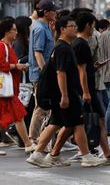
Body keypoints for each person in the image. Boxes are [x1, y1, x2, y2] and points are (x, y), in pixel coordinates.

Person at [27, 17, 104, 168]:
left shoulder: (63, 47)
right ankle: (86, 156)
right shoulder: (63, 48)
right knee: (78, 123)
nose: (75, 28)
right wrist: (65, 95)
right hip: (66, 93)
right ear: (62, 29)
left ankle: (43, 154)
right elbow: (60, 72)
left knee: (56, 123)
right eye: (71, 26)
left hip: (64, 93)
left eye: (75, 26)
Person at [74, 12, 110, 165]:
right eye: (92, 25)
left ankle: (108, 154)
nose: (94, 29)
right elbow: (81, 71)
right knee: (72, 125)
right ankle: (80, 154)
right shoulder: (81, 44)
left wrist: (95, 66)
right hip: (88, 90)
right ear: (88, 25)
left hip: (96, 83)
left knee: (99, 120)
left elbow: (85, 68)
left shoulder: (93, 39)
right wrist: (85, 92)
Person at [0, 17, 36, 156]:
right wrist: (16, 66)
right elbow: (1, 65)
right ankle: (28, 144)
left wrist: (17, 67)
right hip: (6, 90)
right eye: (13, 30)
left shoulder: (7, 46)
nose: (16, 33)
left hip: (8, 89)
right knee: (18, 115)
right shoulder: (2, 46)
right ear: (6, 32)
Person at [28, 0, 57, 143]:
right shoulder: (39, 28)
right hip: (40, 74)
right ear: (46, 12)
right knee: (41, 107)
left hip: (43, 72)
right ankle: (33, 138)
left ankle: (40, 137)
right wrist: (46, 72)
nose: (55, 13)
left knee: (44, 107)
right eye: (53, 10)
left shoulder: (45, 26)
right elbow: (37, 52)